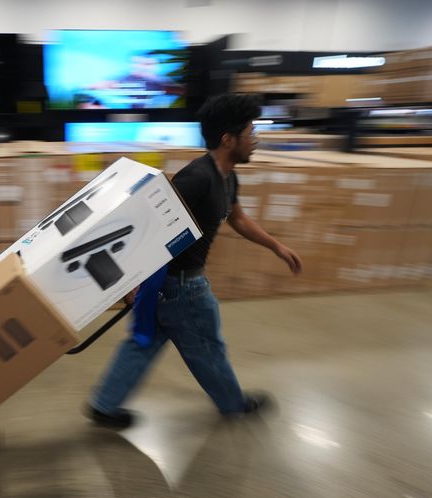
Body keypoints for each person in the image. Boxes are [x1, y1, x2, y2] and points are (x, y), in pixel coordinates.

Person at [86, 93, 303, 429]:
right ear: (228, 139)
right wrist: (131, 283)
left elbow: (237, 218)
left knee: (146, 340)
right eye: (251, 134)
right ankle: (233, 404)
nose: (256, 141)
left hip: (170, 285)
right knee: (207, 345)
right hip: (182, 286)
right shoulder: (197, 178)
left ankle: (104, 404)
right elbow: (151, 225)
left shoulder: (227, 175)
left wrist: (276, 246)